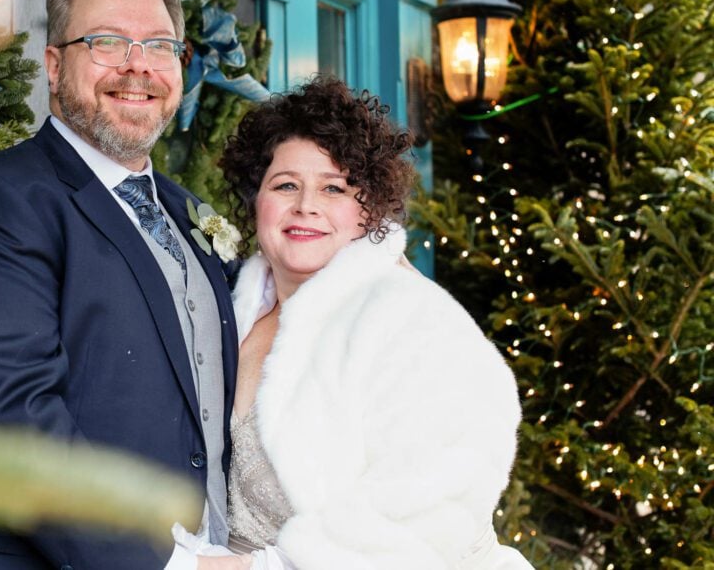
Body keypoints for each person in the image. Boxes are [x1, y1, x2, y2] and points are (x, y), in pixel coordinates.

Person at [0, 0, 239, 569]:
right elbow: (7, 416)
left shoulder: (188, 212)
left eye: (159, 45)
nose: (137, 64)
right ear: (55, 64)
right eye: (108, 41)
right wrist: (171, 563)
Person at [172, 76, 532, 569]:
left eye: (334, 188)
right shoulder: (231, 310)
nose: (306, 206)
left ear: (369, 210)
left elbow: (429, 516)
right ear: (255, 198)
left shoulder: (414, 322)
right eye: (285, 185)